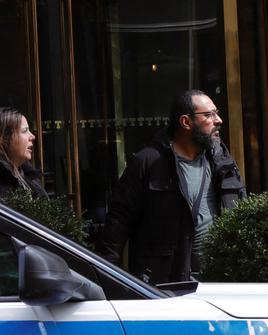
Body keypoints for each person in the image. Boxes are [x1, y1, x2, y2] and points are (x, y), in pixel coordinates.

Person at [97, 89, 246, 284]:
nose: (218, 120)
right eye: (209, 115)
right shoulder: (148, 162)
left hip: (218, 282)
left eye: (216, 113)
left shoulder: (222, 162)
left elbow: (242, 214)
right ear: (186, 122)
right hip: (164, 285)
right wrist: (105, 280)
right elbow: (118, 224)